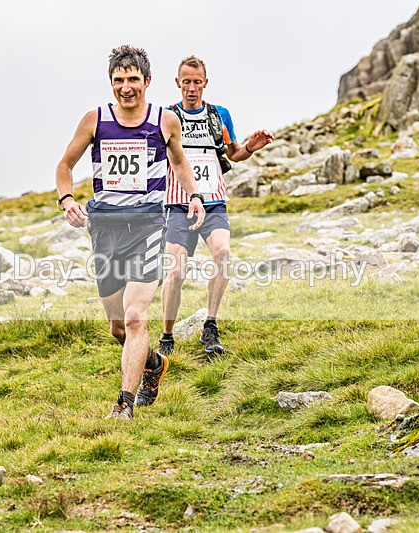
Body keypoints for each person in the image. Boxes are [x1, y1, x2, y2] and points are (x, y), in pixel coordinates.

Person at [55, 45, 206, 419]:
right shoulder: (95, 120)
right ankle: (153, 363)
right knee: (119, 327)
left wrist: (195, 196)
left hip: (148, 225)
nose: (126, 87)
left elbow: (181, 162)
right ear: (111, 83)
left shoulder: (165, 121)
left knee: (137, 316)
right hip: (104, 227)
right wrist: (67, 200)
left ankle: (123, 405)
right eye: (119, 80)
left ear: (147, 81)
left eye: (133, 79)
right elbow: (65, 164)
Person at [160, 55, 274, 358]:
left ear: (205, 83)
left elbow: (234, 153)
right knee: (176, 271)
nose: (192, 88)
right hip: (178, 204)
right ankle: (167, 335)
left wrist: (251, 146)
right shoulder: (168, 117)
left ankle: (210, 325)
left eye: (197, 82)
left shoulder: (219, 115)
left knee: (223, 253)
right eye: (187, 82)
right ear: (178, 83)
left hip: (213, 203)